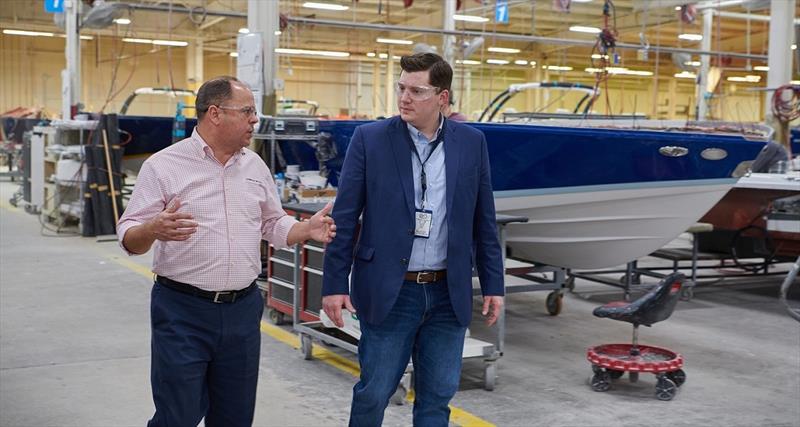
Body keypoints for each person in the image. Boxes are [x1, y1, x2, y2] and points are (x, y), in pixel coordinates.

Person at [117, 76, 336, 427]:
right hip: (182, 310)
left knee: (234, 416)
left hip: (243, 311)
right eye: (247, 111)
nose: (255, 120)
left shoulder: (254, 166)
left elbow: (272, 224)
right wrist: (152, 228)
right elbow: (128, 236)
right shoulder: (163, 166)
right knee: (178, 415)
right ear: (215, 113)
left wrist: (305, 230)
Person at [322, 53, 504, 426]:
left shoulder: (471, 143)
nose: (404, 97)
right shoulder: (370, 139)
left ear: (442, 97)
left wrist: (493, 284)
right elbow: (343, 217)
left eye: (416, 90)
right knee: (374, 391)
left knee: (437, 397)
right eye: (401, 88)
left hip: (446, 293)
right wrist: (334, 285)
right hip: (391, 290)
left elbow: (484, 220)